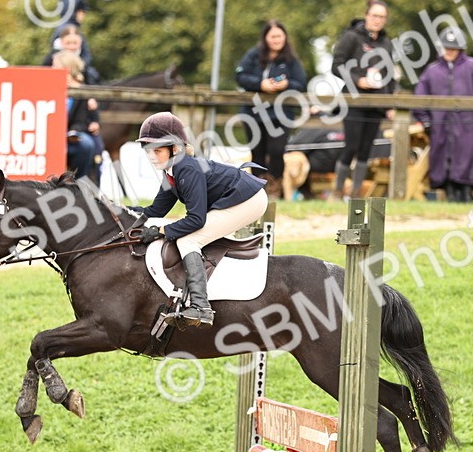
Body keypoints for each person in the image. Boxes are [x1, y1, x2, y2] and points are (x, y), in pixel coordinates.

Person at [134, 112, 269, 328]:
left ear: (175, 149)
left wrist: (161, 231)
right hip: (240, 198)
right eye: (148, 151)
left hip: (249, 200)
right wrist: (121, 211)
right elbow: (155, 209)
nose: (151, 156)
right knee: (187, 236)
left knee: (188, 241)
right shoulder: (171, 172)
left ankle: (200, 306)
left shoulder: (186, 168)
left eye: (157, 150)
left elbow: (196, 219)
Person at [409, 27, 473, 203]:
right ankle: (450, 194)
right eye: (446, 47)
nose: (449, 51)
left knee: (468, 157)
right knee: (442, 160)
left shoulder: (472, 66)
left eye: (452, 48)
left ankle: (466, 194)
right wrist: (425, 120)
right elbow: (419, 97)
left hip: (468, 126)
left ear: (460, 49)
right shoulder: (432, 71)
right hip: (441, 127)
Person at [330, 0, 397, 200]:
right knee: (351, 146)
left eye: (382, 17)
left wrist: (390, 103)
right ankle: (337, 191)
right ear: (367, 15)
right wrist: (357, 80)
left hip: (377, 104)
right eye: (375, 15)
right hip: (354, 101)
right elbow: (336, 65)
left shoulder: (387, 43)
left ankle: (357, 194)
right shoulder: (351, 37)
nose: (378, 20)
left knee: (367, 149)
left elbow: (391, 75)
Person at [234, 20, 308, 200]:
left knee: (277, 151)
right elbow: (240, 76)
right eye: (273, 36)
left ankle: (275, 188)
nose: (276, 40)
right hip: (254, 113)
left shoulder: (291, 59)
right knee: (257, 152)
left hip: (280, 115)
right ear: (266, 38)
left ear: (285, 38)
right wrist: (260, 84)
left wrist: (286, 84)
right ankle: (257, 190)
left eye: (279, 36)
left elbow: (302, 82)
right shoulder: (253, 55)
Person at [52, 51, 101, 185]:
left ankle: (78, 182)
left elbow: (81, 120)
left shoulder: (81, 90)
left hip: (70, 135)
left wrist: (71, 133)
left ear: (67, 67)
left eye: (55, 65)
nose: (52, 68)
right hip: (50, 134)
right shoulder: (48, 86)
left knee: (86, 144)